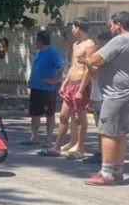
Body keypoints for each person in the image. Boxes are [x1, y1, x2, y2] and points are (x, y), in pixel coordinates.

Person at [77, 11, 129, 186]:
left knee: (108, 132)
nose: (110, 28)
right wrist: (87, 64)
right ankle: (117, 171)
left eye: (112, 24)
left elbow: (97, 59)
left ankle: (105, 173)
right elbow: (97, 73)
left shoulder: (120, 39)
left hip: (117, 94)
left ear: (119, 24)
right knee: (120, 133)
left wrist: (90, 57)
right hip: (127, 92)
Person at [40, 18, 95, 159]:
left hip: (81, 84)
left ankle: (80, 149)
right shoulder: (76, 44)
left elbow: (89, 69)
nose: (72, 30)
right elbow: (72, 66)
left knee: (79, 118)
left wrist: (81, 90)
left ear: (79, 28)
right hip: (71, 83)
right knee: (64, 116)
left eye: (74, 28)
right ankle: (56, 147)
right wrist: (64, 84)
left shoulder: (89, 45)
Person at [22, 31, 65, 147]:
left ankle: (49, 139)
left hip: (47, 89)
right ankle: (34, 137)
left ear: (41, 41)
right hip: (36, 87)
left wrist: (55, 80)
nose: (35, 42)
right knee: (35, 114)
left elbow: (61, 66)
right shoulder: (39, 53)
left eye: (37, 40)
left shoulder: (52, 52)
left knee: (49, 114)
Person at [82, 30, 113, 165]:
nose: (97, 45)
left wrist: (88, 63)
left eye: (100, 42)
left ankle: (103, 154)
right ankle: (101, 152)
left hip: (103, 96)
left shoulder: (107, 58)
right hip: (97, 95)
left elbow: (97, 75)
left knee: (103, 127)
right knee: (100, 126)